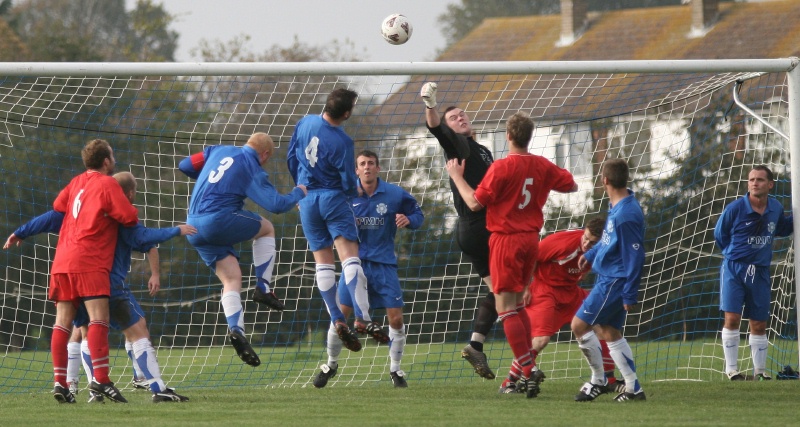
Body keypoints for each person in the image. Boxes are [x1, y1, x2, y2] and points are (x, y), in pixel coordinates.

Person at [5, 172, 196, 403]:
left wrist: (21, 231)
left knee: (82, 332)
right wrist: (177, 229)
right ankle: (158, 389)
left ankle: (90, 389)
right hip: (107, 284)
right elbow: (145, 237)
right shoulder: (121, 218)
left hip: (76, 279)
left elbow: (51, 218)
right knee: (138, 331)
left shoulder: (83, 214)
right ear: (130, 193)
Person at [446, 111, 578, 398]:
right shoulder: (541, 165)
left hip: (506, 240)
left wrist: (457, 176)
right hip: (531, 240)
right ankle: (525, 369)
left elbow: (474, 202)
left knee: (506, 308)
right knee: (518, 305)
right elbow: (571, 184)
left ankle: (528, 371)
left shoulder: (502, 168)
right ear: (529, 137)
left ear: (507, 136)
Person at [179, 132, 306, 367]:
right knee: (266, 228)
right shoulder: (251, 166)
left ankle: (237, 330)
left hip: (192, 226)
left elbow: (184, 165)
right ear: (265, 154)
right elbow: (276, 205)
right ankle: (264, 288)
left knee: (231, 278)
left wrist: (211, 178)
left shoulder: (216, 150)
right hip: (217, 220)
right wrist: (300, 191)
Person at [312, 150, 424, 389]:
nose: (367, 167)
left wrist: (410, 220)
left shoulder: (394, 194)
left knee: (396, 318)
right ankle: (330, 365)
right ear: (356, 170)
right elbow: (324, 213)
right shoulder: (345, 194)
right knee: (340, 316)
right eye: (362, 164)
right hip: (354, 265)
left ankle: (395, 370)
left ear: (378, 168)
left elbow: (418, 213)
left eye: (371, 163)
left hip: (384, 265)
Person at [288, 88, 384, 354]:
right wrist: (354, 192)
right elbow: (345, 179)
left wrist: (299, 188)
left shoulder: (305, 121)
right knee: (351, 259)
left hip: (307, 199)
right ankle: (363, 318)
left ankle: (336, 317)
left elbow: (291, 156)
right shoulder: (342, 141)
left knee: (322, 263)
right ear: (346, 113)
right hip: (332, 198)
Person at [43, 139, 139, 403]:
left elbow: (58, 206)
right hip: (90, 259)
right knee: (99, 319)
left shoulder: (76, 182)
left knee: (62, 322)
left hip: (63, 259)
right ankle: (101, 380)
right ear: (106, 161)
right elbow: (128, 217)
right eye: (113, 156)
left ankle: (60, 383)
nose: (114, 160)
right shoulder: (108, 183)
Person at [420, 81, 499, 380]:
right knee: (515, 292)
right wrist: (431, 105)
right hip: (482, 229)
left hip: (470, 232)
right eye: (454, 118)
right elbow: (437, 129)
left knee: (499, 292)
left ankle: (476, 345)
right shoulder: (459, 146)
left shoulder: (482, 150)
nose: (460, 118)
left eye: (463, 115)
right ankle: (525, 360)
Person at [498, 218, 621, 394]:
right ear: (584, 231)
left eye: (593, 242)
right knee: (540, 341)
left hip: (571, 292)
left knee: (602, 325)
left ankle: (609, 379)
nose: (587, 244)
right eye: (585, 238)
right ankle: (509, 382)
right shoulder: (562, 242)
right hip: (545, 291)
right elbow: (532, 257)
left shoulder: (606, 250)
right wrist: (525, 287)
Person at [571, 159, 646, 402]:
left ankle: (598, 380)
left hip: (614, 281)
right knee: (609, 331)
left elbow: (635, 256)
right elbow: (608, 240)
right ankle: (633, 388)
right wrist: (591, 254)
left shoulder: (627, 214)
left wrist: (629, 294)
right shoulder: (617, 206)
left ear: (604, 180)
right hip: (609, 277)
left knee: (579, 326)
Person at [714, 165, 793, 381]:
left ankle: (760, 371)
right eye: (751, 180)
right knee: (732, 318)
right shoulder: (735, 208)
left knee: (758, 322)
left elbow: (783, 228)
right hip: (734, 269)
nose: (754, 183)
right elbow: (719, 235)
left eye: (759, 179)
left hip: (760, 271)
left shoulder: (775, 207)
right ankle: (732, 370)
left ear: (770, 184)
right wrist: (735, 254)